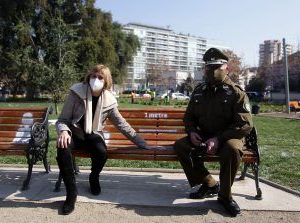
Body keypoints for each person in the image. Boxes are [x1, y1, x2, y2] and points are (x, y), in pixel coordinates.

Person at [56, 64, 160, 215]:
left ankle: (94, 177)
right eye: (93, 76)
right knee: (62, 148)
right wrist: (64, 132)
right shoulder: (76, 92)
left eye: (100, 77)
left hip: (93, 134)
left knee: (101, 151)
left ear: (106, 82)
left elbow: (122, 124)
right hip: (74, 132)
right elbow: (62, 120)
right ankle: (71, 194)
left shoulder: (109, 100)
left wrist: (143, 143)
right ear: (88, 77)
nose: (96, 80)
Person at [173, 48, 253, 217]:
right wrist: (192, 131)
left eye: (217, 67)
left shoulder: (236, 93)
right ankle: (209, 183)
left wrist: (218, 139)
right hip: (204, 135)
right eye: (209, 67)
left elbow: (245, 124)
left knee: (232, 149)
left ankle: (225, 196)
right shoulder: (199, 91)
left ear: (227, 69)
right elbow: (189, 118)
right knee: (181, 146)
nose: (212, 71)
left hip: (229, 137)